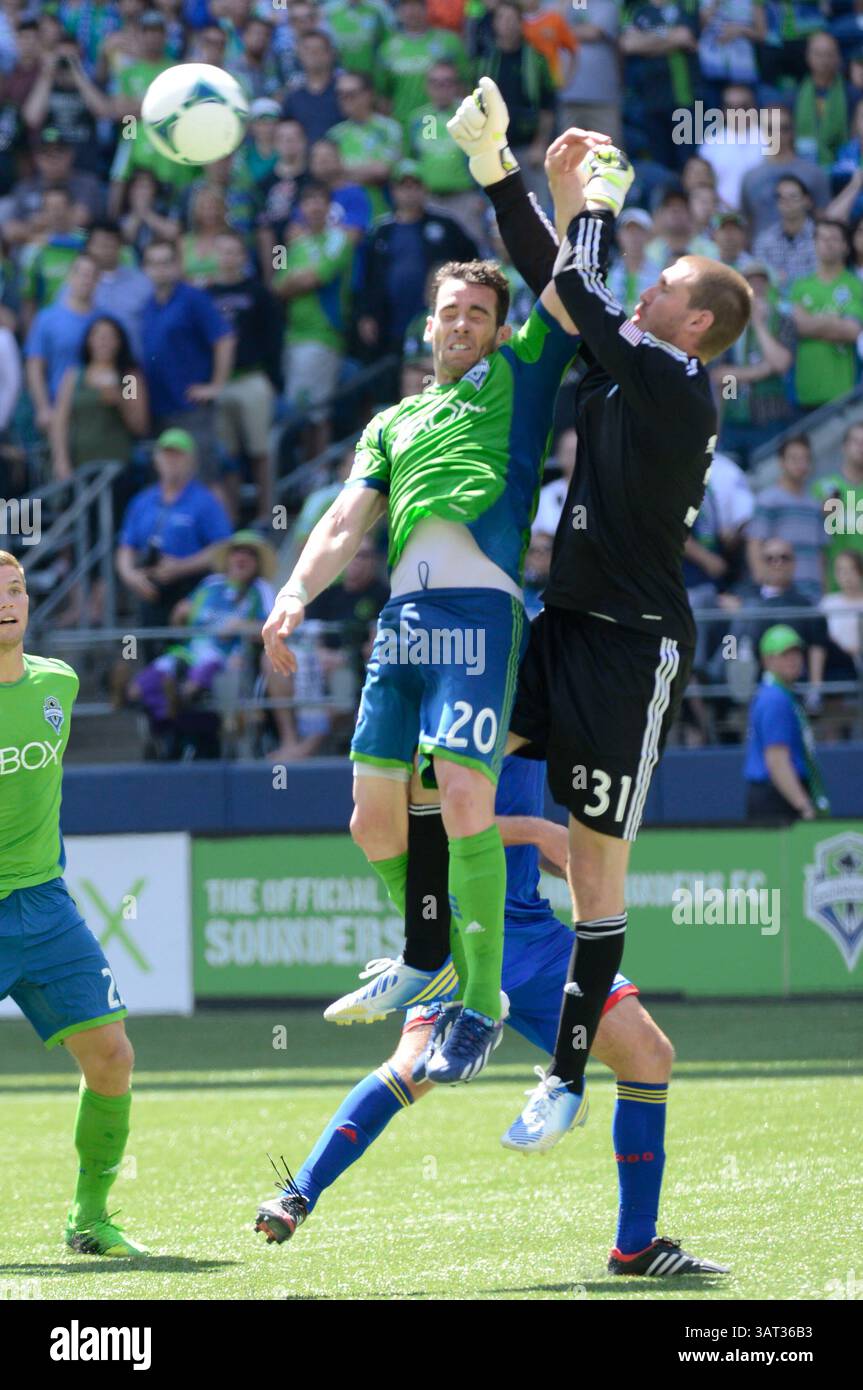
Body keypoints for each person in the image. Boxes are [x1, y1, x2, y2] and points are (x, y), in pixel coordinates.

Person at [446, 79, 751, 1143]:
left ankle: (566, 1074)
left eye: (663, 284)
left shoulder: (678, 384)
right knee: (456, 775)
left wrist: (594, 198)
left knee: (594, 873)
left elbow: (576, 279)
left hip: (630, 651)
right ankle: (450, 979)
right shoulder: (633, 352)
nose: (645, 288)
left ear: (694, 320)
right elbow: (557, 283)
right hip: (565, 620)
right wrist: (501, 175)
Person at [262, 251, 580, 1083]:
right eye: (451, 310)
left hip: (478, 616)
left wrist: (571, 193)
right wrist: (295, 588)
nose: (463, 323)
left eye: (479, 312)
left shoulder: (518, 381)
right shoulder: (392, 422)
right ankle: (427, 948)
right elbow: (343, 518)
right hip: (402, 623)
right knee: (373, 821)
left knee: (463, 793)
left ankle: (479, 1005)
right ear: (428, 322)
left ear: (499, 329)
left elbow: (567, 286)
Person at [256, 753, 727, 1278]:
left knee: (648, 1054)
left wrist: (559, 851)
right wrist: (537, 830)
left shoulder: (533, 702)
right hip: (462, 933)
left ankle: (635, 1246)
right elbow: (420, 826)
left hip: (533, 933)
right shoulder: (450, 691)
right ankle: (297, 1195)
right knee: (411, 1070)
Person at [0, 550, 146, 1257]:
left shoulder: (58, 682)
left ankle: (88, 1218)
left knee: (112, 1054)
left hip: (46, 907)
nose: (8, 600)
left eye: (17, 588)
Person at [129, 529, 276, 759]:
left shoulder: (261, 590)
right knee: (145, 683)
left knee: (205, 669)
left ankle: (179, 699)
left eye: (249, 554)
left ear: (257, 563)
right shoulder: (209, 585)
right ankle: (148, 702)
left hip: (228, 660)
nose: (241, 558)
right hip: (188, 653)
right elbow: (178, 620)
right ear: (227, 558)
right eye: (237, 552)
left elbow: (273, 629)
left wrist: (242, 626)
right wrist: (179, 614)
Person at [355, 160, 478, 359]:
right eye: (403, 186)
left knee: (429, 369)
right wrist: (365, 314)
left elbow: (472, 261)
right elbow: (365, 277)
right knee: (389, 374)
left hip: (435, 317)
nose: (409, 192)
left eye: (415, 186)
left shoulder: (446, 226)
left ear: (424, 189)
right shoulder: (380, 231)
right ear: (393, 191)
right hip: (388, 321)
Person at [139, 238, 236, 487]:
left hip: (191, 407)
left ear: (177, 265)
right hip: (159, 409)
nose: (160, 268)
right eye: (154, 263)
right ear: (145, 268)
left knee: (203, 477)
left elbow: (225, 338)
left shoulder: (193, 298)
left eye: (166, 262)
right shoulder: (149, 305)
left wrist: (216, 385)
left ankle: (222, 527)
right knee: (169, 482)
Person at [115, 427, 232, 627]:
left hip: (191, 590)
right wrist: (131, 576)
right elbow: (126, 547)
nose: (172, 461)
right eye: (167, 454)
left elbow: (223, 547)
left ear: (192, 461)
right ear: (156, 460)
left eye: (179, 455)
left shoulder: (205, 501)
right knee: (150, 648)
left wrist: (181, 567)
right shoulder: (142, 501)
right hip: (150, 588)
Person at [273, 180, 354, 459]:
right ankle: (308, 469)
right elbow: (278, 286)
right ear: (301, 208)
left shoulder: (339, 239)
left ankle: (317, 471)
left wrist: (297, 279)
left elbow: (317, 277)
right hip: (293, 336)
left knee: (316, 412)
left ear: (329, 205)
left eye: (320, 199)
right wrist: (297, 279)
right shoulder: (295, 244)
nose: (314, 206)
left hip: (322, 335)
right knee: (300, 409)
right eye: (308, 200)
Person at [208, 230, 282, 519]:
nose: (228, 258)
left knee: (261, 451)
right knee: (228, 457)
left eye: (234, 252)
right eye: (222, 251)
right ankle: (231, 518)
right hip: (219, 382)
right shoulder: (206, 295)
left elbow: (273, 338)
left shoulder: (259, 293)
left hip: (253, 377)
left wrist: (274, 380)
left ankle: (266, 515)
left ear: (243, 257)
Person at [711, 259, 796, 467]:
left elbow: (781, 363)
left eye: (761, 283)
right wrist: (760, 370)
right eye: (750, 283)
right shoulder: (729, 324)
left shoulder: (783, 320)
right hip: (734, 416)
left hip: (769, 417)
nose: (756, 288)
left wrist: (758, 324)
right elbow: (719, 374)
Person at [744, 624, 830, 824]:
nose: (793, 660)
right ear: (767, 660)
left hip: (777, 794)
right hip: (776, 799)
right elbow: (777, 760)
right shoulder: (775, 699)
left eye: (796, 653)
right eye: (784, 655)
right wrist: (804, 805)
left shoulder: (780, 694)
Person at [788, 218, 863, 413]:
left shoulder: (856, 286)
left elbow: (852, 331)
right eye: (822, 238)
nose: (827, 243)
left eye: (834, 239)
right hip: (805, 390)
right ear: (814, 243)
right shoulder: (799, 286)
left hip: (842, 391)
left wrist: (811, 323)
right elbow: (798, 327)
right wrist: (834, 320)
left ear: (846, 246)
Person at [23, 251, 98, 434]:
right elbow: (34, 367)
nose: (86, 280)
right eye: (82, 273)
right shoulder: (47, 318)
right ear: (70, 276)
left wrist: (130, 399)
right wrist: (42, 408)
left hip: (98, 412)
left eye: (93, 275)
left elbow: (130, 371)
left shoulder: (105, 320)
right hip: (59, 411)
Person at [746, 435, 828, 601]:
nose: (801, 464)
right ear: (781, 462)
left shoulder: (815, 504)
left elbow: (820, 553)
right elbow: (755, 543)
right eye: (794, 458)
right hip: (781, 595)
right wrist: (763, 583)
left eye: (805, 458)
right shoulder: (768, 500)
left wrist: (824, 590)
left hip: (813, 594)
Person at [740, 106, 830, 241]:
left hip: (806, 254)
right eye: (771, 128)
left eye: (784, 128)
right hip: (761, 255)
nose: (777, 134)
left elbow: (823, 219)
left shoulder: (814, 173)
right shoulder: (750, 177)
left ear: (793, 131)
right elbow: (747, 223)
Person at [327, 70, 403, 221]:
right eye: (340, 95)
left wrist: (342, 171)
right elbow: (328, 176)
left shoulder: (389, 128)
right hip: (345, 219)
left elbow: (383, 171)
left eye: (351, 94)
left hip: (382, 213)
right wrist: (367, 170)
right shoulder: (334, 134)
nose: (345, 100)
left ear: (368, 95)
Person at [813, 418, 863, 588]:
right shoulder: (822, 486)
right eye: (856, 441)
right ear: (843, 447)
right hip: (834, 582)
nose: (860, 447)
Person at [752, 174, 817, 292]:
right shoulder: (765, 239)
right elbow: (760, 279)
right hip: (773, 303)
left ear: (807, 201)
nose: (787, 202)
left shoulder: (820, 237)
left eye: (793, 197)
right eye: (781, 197)